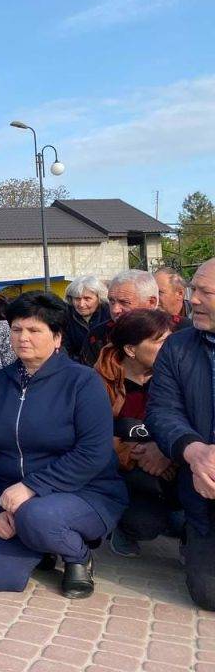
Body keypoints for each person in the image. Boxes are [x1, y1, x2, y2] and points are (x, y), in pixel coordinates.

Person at [0, 292, 127, 599]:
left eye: (34, 330)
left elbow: (92, 452)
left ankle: (77, 556)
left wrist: (31, 487)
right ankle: (40, 544)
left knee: (36, 517)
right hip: (12, 496)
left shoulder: (82, 382)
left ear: (57, 338)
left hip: (83, 492)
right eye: (16, 329)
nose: (23, 338)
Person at [145, 257, 215, 610]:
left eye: (204, 292)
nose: (193, 299)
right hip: (200, 485)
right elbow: (161, 411)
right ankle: (193, 534)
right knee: (209, 595)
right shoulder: (179, 346)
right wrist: (195, 452)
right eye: (192, 289)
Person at [92, 309, 178, 558]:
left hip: (168, 464)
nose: (169, 348)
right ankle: (122, 526)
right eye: (160, 342)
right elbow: (91, 436)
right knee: (144, 523)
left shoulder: (176, 375)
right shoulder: (97, 381)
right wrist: (133, 453)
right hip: (117, 471)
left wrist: (167, 452)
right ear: (131, 349)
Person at [83, 270, 161, 366]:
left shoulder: (177, 333)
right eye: (111, 301)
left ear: (151, 302)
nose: (115, 310)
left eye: (124, 302)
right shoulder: (97, 337)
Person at [63, 275, 112, 364]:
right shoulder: (65, 316)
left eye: (87, 299)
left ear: (99, 298)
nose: (81, 304)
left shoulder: (110, 313)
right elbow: (64, 349)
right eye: (77, 299)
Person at [155, 267, 193, 331]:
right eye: (153, 292)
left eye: (159, 292)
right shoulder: (148, 320)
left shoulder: (197, 318)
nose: (154, 298)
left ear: (180, 294)